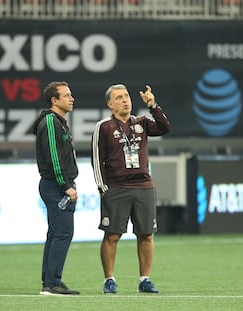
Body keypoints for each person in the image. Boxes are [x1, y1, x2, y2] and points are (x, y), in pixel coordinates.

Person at [91, 84, 170, 294]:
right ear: (110, 104)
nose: (125, 100)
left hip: (143, 186)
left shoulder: (142, 122)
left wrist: (152, 105)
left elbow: (164, 128)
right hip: (117, 187)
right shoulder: (104, 126)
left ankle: (145, 279)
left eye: (126, 96)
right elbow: (97, 159)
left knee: (146, 234)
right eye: (119, 97)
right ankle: (109, 279)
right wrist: (102, 187)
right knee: (112, 235)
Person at [32, 81, 80, 296]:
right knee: (63, 233)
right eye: (66, 95)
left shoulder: (58, 121)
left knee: (55, 234)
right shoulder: (51, 121)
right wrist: (66, 185)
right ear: (54, 100)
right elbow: (53, 156)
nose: (71, 98)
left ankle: (49, 281)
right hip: (56, 185)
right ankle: (52, 283)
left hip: (55, 184)